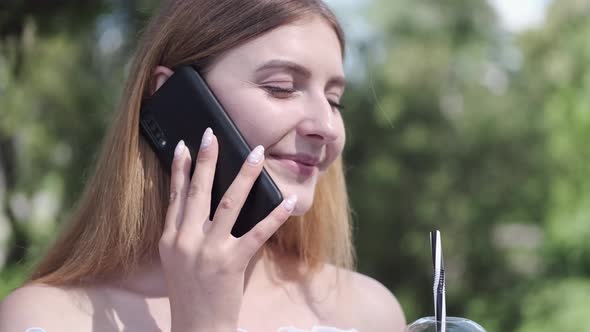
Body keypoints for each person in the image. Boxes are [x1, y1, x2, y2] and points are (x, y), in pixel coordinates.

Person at [0, 0, 406, 331]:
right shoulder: (44, 319)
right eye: (280, 88)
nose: (328, 128)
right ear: (173, 97)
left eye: (335, 101)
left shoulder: (368, 313)